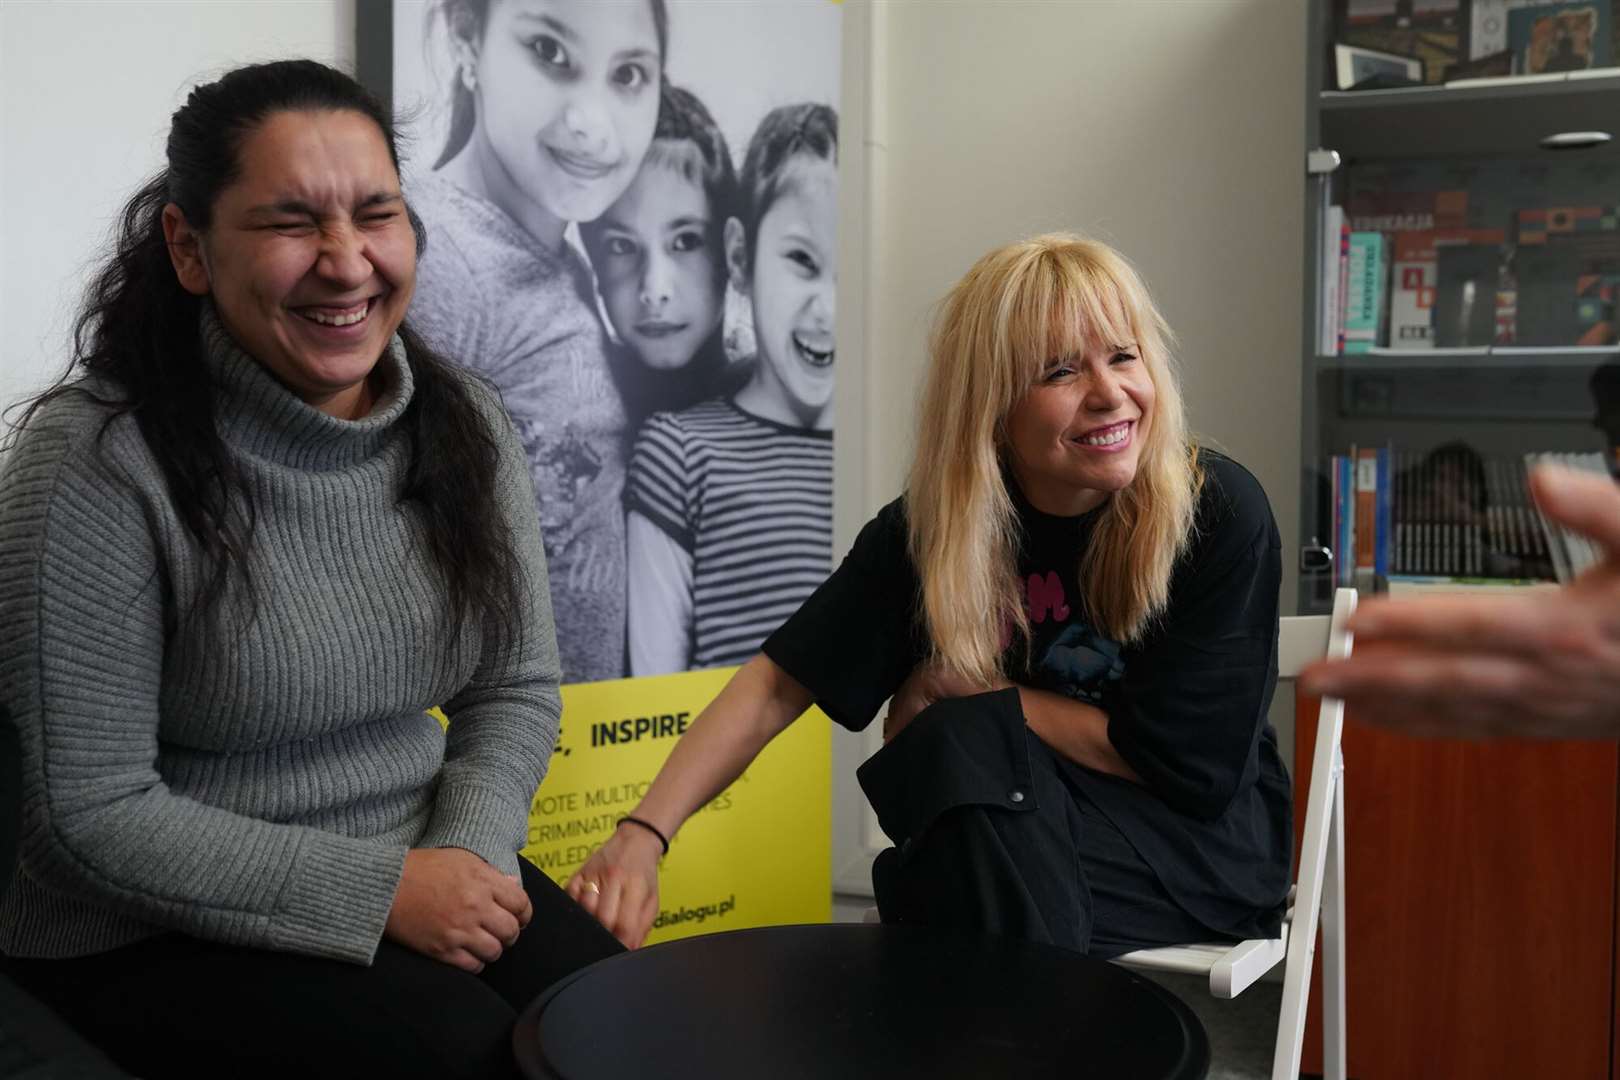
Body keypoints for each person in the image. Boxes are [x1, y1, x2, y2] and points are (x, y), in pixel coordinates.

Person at [0, 60, 620, 1079]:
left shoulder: (466, 427)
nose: (347, 262)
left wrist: (464, 854)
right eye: (292, 223)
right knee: (473, 1059)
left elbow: (513, 685)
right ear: (189, 249)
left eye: (376, 214)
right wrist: (382, 892)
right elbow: (87, 816)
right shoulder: (96, 463)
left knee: (620, 1024)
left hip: (422, 858)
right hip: (148, 931)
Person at [570, 233, 1292, 956]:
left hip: (1197, 858)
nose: (1110, 395)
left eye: (1124, 355)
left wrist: (992, 700)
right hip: (1017, 846)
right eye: (1061, 371)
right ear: (993, 404)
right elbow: (774, 688)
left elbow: (1190, 771)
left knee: (955, 781)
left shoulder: (1217, 510)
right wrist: (643, 836)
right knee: (959, 799)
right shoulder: (938, 531)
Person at [411, 0, 668, 683]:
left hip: (578, 750)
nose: (592, 122)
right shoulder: (438, 259)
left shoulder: (566, 254)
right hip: (487, 756)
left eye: (630, 74)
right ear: (467, 42)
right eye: (551, 54)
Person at [621, 103, 838, 676]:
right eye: (801, 259)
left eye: (851, 269)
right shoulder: (680, 453)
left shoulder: (895, 450)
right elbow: (655, 694)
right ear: (740, 256)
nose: (828, 310)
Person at [1301, 464, 1620, 739]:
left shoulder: (1469, 553)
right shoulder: (1323, 495)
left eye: (1455, 488)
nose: (1439, 491)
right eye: (1437, 477)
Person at [579, 81, 749, 431]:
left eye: (686, 241)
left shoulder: (776, 399)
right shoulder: (572, 399)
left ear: (731, 250)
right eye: (621, 246)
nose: (655, 289)